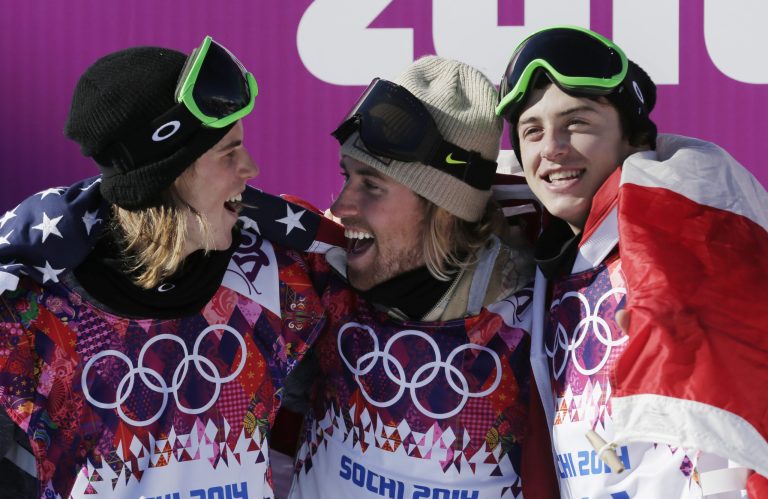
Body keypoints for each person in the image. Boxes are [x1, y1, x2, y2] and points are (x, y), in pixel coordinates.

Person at [0, 37, 330, 498]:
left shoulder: (280, 275)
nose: (251, 168)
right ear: (169, 175)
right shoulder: (35, 315)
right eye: (228, 152)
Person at [495, 25, 768, 498]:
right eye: (532, 131)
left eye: (577, 123)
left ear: (634, 138)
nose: (552, 148)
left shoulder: (694, 245)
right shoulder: (544, 260)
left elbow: (736, 413)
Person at [287, 56, 558, 498]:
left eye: (372, 186)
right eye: (346, 177)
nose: (342, 206)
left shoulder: (533, 317)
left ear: (445, 210)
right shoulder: (317, 276)